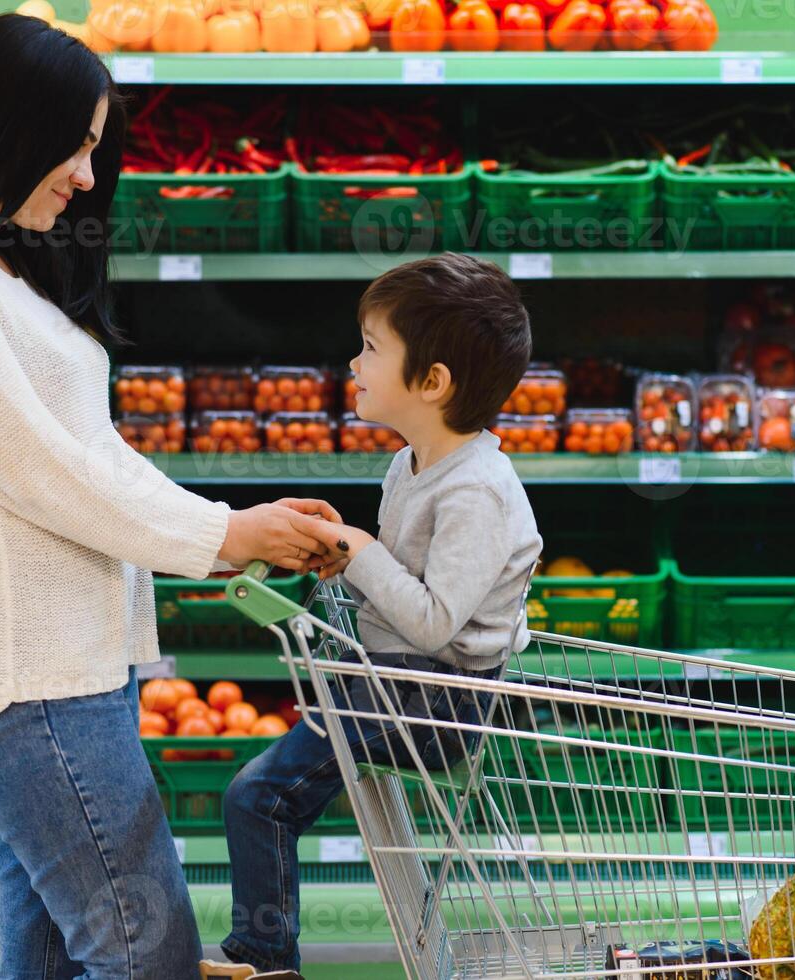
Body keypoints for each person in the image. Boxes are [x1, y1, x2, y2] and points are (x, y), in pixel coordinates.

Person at [0, 16, 334, 979]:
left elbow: (97, 454)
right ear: (6, 123)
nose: (85, 175)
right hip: (25, 676)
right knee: (144, 950)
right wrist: (225, 532)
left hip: (78, 672)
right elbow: (35, 467)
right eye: (75, 145)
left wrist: (237, 529)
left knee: (55, 963)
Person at [211, 253, 543, 980]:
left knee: (256, 798)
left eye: (371, 347)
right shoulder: (412, 463)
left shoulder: (478, 492)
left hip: (437, 702)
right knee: (259, 793)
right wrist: (345, 554)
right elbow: (403, 585)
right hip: (396, 686)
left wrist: (360, 550)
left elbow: (431, 624)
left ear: (432, 382)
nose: (353, 362)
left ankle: (263, 962)